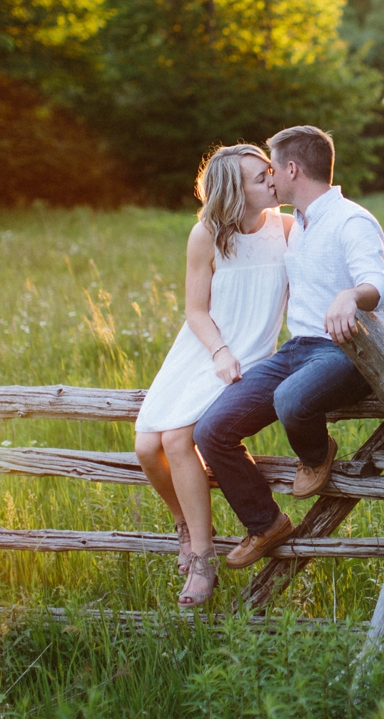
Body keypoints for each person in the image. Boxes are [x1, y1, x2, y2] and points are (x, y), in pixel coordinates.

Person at [193, 125, 384, 570]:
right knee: (211, 430)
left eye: (271, 169)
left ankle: (317, 455)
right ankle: (265, 523)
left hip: (348, 351)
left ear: (292, 169)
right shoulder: (294, 224)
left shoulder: (351, 220)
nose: (269, 179)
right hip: (295, 350)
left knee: (290, 399)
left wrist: (350, 297)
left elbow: (377, 282)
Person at [134, 144, 291, 607]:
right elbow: (195, 311)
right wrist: (219, 351)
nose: (272, 179)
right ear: (233, 190)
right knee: (146, 446)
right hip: (205, 347)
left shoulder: (286, 229)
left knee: (179, 440)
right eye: (260, 177)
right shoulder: (206, 235)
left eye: (270, 172)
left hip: (254, 353)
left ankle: (203, 560)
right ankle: (185, 523)